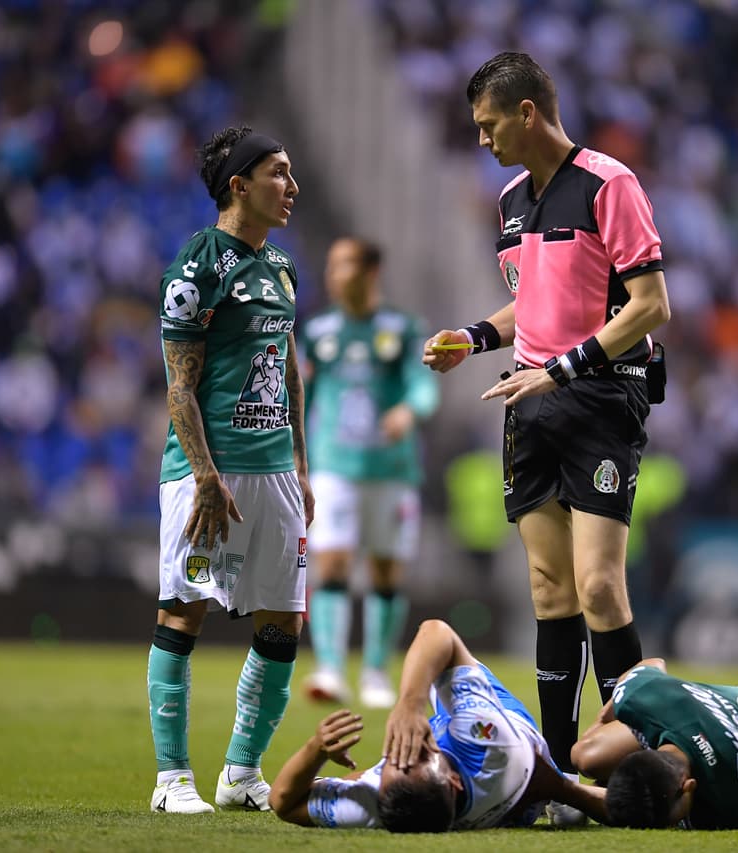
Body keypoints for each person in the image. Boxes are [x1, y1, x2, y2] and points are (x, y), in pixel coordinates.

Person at [422, 51, 671, 820]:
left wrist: (562, 368)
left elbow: (650, 306)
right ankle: (560, 781)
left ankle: (639, 757)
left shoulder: (609, 184)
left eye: (488, 124)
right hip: (529, 399)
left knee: (600, 584)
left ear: (526, 112)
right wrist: (473, 336)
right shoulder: (507, 203)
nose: (483, 139)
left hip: (599, 395)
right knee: (549, 590)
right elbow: (529, 309)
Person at [148, 126, 314, 813]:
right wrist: (207, 476)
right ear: (238, 184)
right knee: (184, 610)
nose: (292, 186)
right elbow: (179, 385)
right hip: (205, 474)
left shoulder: (281, 267)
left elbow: (291, 369)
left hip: (275, 471)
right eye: (278, 172)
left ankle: (241, 772)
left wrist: (303, 463)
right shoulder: (198, 267)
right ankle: (170, 780)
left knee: (284, 623)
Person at [268, 619, 608, 831]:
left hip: (497, 794)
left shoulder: (378, 804)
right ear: (454, 781)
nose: (405, 748)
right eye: (417, 756)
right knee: (440, 665)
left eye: (393, 760)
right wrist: (410, 704)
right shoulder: (490, 744)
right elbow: (437, 632)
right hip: (515, 744)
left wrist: (316, 750)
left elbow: (282, 801)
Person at [299, 237, 439, 709]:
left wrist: (408, 410)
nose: (334, 275)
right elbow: (305, 398)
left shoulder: (401, 330)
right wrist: (297, 455)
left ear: (371, 272)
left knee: (384, 571)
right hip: (333, 466)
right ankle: (331, 668)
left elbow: (424, 386)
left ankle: (376, 669)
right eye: (331, 265)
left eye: (345, 266)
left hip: (391, 469)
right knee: (332, 563)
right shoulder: (318, 333)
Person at [570, 660, 738, 830]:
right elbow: (652, 664)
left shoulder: (725, 811)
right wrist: (610, 713)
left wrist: (568, 792)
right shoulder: (655, 702)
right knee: (585, 756)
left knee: (591, 761)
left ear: (689, 786)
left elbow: (626, 813)